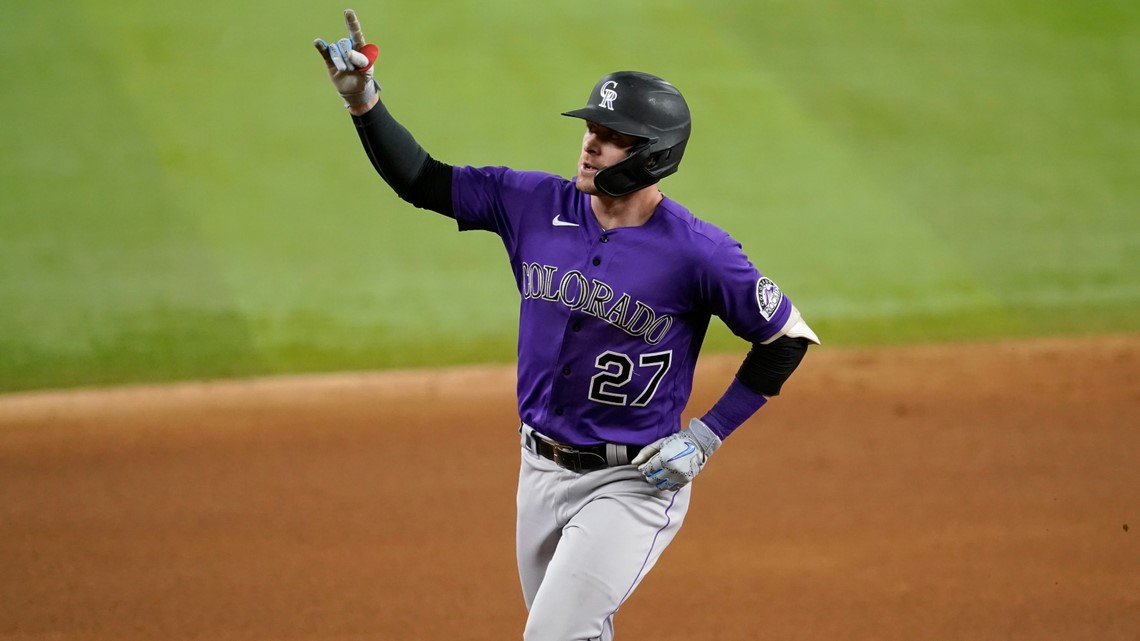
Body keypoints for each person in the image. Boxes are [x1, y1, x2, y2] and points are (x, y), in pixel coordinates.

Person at [314, 9, 820, 640]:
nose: (590, 143)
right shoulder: (530, 203)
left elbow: (785, 337)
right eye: (591, 129)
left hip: (634, 484)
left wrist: (707, 436)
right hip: (539, 471)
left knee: (551, 637)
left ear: (652, 156)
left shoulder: (699, 252)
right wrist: (365, 103)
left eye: (611, 136)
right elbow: (422, 180)